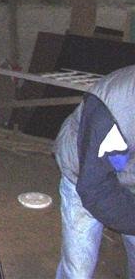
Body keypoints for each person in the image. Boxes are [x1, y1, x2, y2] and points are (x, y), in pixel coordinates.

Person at [54, 64, 135, 278]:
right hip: (83, 171)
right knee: (78, 271)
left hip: (128, 170)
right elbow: (94, 188)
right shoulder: (113, 110)